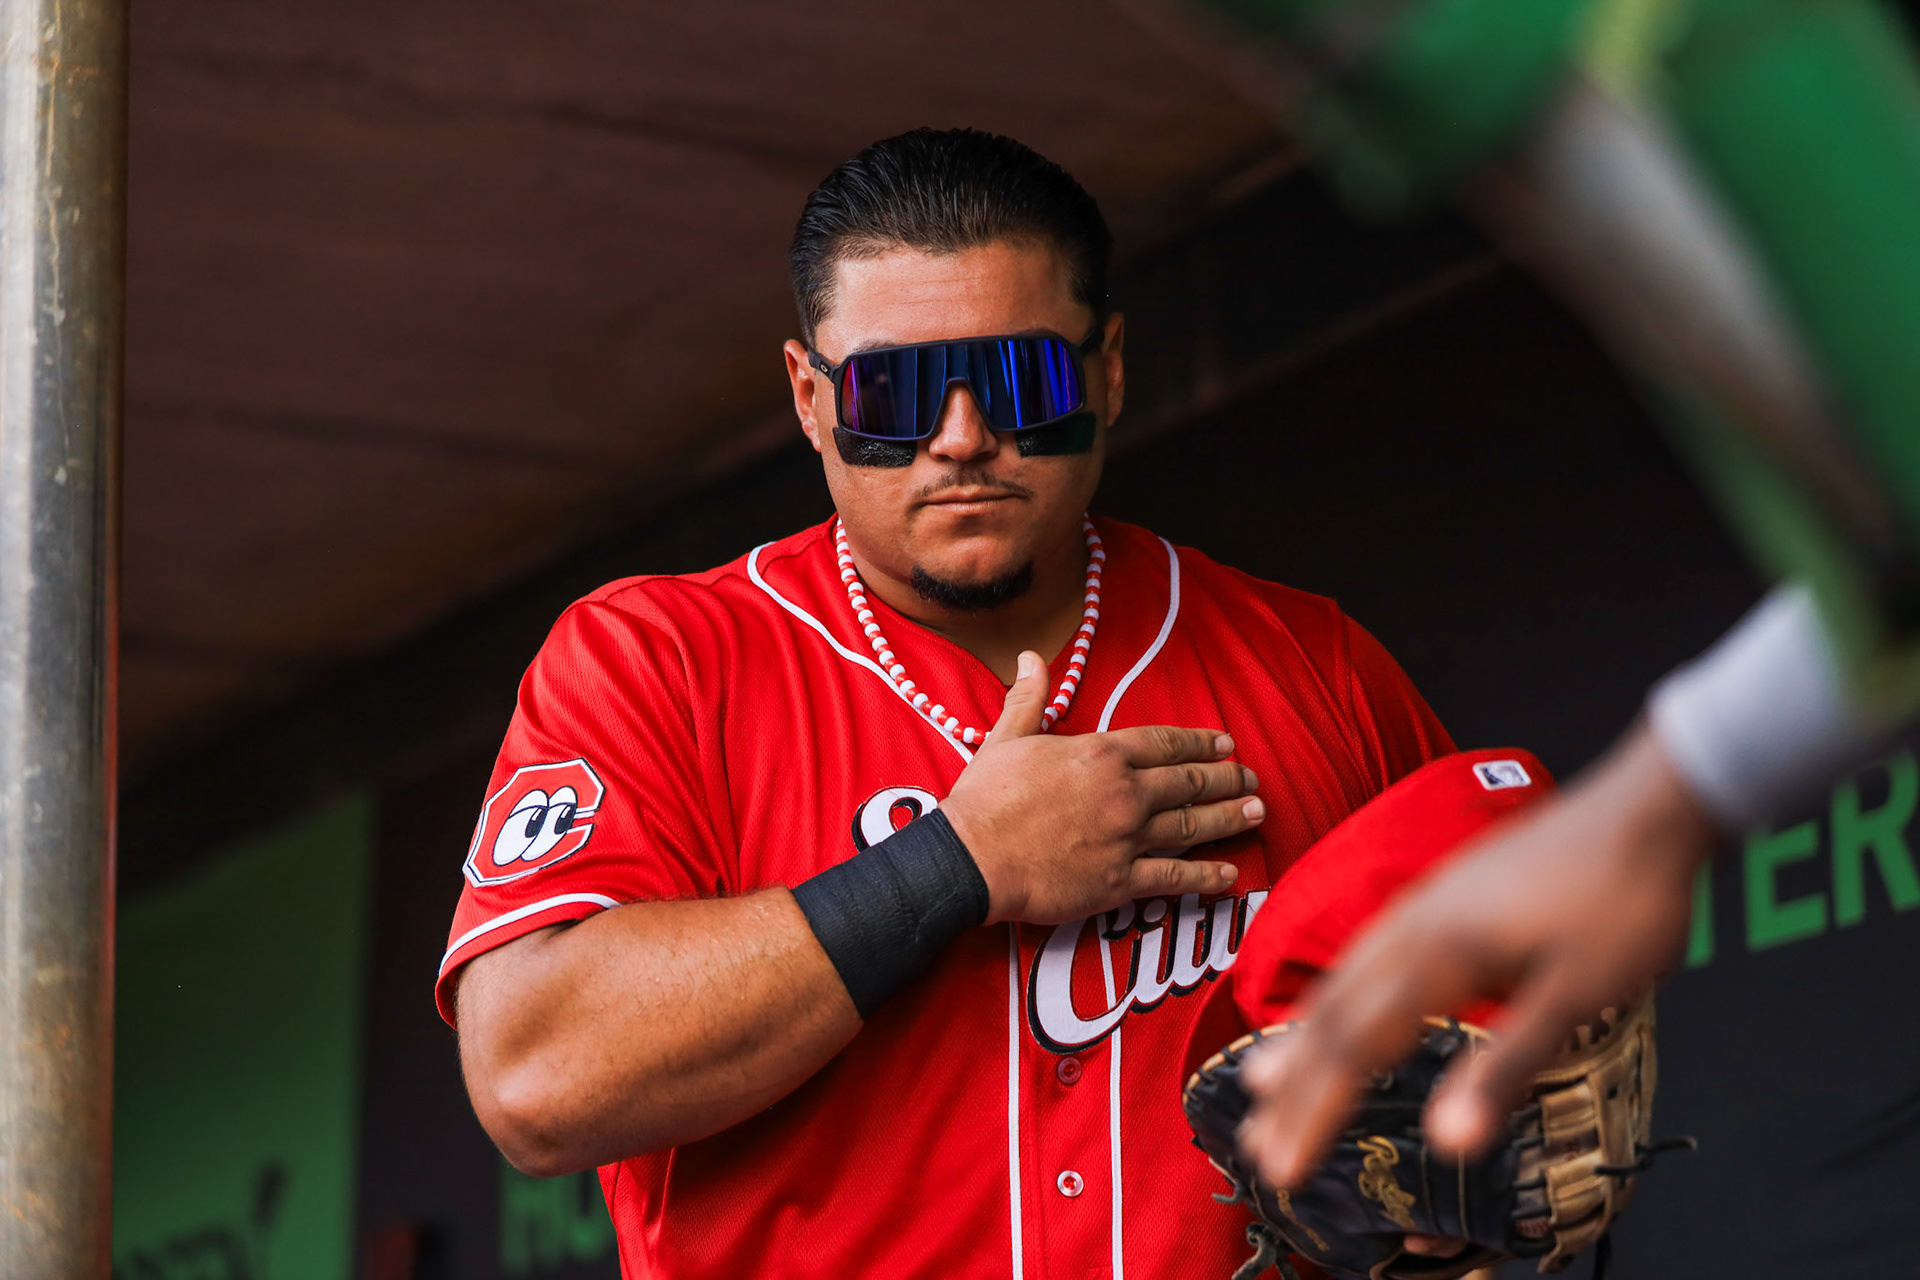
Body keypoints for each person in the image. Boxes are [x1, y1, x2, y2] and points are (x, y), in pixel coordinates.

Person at [437, 127, 1455, 1279]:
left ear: (1108, 370)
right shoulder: (658, 660)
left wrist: (1465, 1146)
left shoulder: (1314, 666)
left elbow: (1483, 1034)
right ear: (810, 398)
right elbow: (536, 1077)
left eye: (1021, 379)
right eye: (897, 390)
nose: (963, 438)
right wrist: (957, 864)